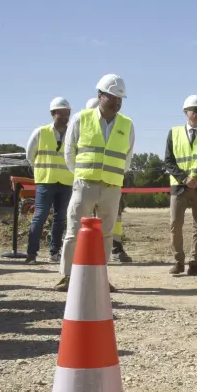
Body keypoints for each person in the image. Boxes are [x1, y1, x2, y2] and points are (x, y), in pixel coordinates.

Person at [57, 74, 134, 293]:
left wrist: (112, 176)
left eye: (120, 98)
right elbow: (69, 151)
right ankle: (67, 276)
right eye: (113, 97)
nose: (117, 102)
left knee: (107, 234)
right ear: (100, 96)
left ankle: (100, 277)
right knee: (73, 231)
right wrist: (82, 174)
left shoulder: (127, 125)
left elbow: (127, 158)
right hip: (85, 184)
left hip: (111, 187)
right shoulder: (81, 119)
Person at [164, 95, 197, 276]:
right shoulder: (173, 133)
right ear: (185, 112)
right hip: (180, 187)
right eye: (194, 110)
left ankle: (194, 263)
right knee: (175, 225)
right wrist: (184, 178)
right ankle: (178, 261)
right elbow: (169, 161)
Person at [84, 96, 132, 264]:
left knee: (111, 220)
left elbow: (126, 156)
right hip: (86, 182)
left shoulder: (121, 125)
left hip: (111, 182)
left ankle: (115, 246)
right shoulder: (83, 125)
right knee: (84, 221)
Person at [24, 97, 72, 265]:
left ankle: (54, 253)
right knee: (40, 216)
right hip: (46, 181)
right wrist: (42, 171)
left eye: (68, 113)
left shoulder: (73, 134)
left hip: (66, 182)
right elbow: (30, 156)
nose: (65, 117)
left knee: (60, 219)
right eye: (62, 113)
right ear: (53, 113)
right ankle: (31, 254)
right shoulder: (41, 132)